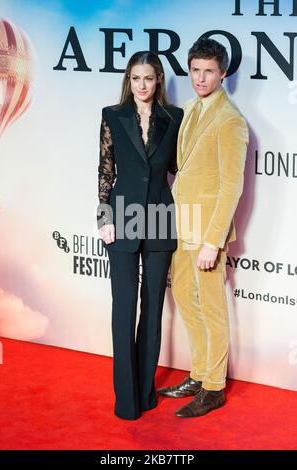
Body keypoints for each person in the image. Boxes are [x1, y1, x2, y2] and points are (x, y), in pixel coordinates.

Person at [157, 38, 249, 417]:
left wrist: (214, 240)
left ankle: (213, 387)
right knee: (182, 294)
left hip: (207, 229)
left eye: (208, 71)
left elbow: (232, 185)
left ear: (223, 73)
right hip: (182, 221)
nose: (200, 77)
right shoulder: (190, 108)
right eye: (195, 70)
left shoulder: (231, 120)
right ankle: (198, 372)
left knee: (211, 307)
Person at [97, 51, 183, 420]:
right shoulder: (112, 116)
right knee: (123, 309)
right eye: (135, 78)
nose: (142, 85)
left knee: (152, 311)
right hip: (122, 218)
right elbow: (104, 170)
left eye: (148, 78)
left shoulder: (175, 118)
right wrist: (104, 217)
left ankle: (146, 393)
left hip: (161, 217)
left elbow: (180, 168)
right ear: (128, 81)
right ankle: (127, 400)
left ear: (158, 79)